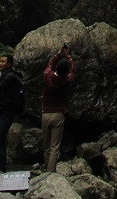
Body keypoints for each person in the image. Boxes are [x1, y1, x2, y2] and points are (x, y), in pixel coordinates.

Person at [41, 43, 76, 172]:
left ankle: (46, 168)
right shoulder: (66, 80)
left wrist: (58, 54)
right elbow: (73, 71)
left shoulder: (47, 75)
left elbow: (49, 65)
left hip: (45, 113)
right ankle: (50, 172)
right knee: (55, 147)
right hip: (58, 115)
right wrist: (69, 57)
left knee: (46, 146)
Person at [0, 52, 21, 172]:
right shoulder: (6, 76)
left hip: (5, 112)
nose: (0, 64)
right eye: (0, 61)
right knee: (0, 141)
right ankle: (1, 165)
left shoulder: (9, 77)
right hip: (0, 112)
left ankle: (1, 167)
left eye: (3, 62)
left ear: (9, 64)